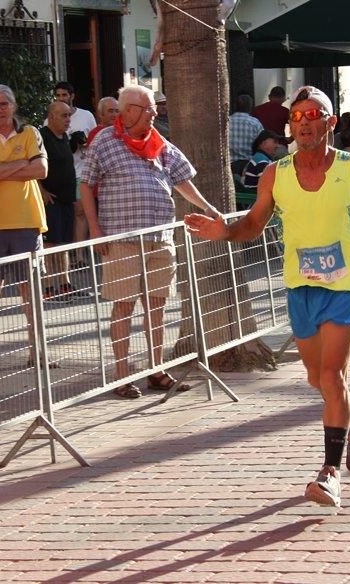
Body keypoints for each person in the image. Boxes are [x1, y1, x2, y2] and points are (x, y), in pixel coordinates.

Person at [184, 86, 350, 507]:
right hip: (301, 285)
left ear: (330, 122)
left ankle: (329, 473)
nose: (305, 122)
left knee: (331, 378)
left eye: (314, 115)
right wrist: (226, 232)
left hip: (344, 285)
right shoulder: (276, 173)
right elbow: (254, 222)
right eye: (298, 117)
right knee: (317, 379)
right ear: (290, 127)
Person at [79, 85, 223, 399]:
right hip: (123, 239)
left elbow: (182, 180)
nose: (154, 115)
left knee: (156, 306)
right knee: (124, 306)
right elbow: (86, 185)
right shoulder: (105, 141)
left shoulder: (159, 143)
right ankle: (121, 375)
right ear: (128, 110)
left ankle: (156, 371)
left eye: (155, 110)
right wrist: (94, 229)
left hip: (160, 238)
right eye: (149, 110)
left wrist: (207, 208)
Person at [0, 84, 49, 374]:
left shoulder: (30, 133)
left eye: (3, 104)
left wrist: (0, 168)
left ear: (13, 105)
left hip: (27, 221)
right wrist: (21, 164)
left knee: (31, 291)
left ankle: (37, 351)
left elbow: (41, 170)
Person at [54, 81, 97, 269]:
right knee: (68, 213)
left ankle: (79, 255)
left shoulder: (86, 116)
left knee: (80, 212)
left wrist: (85, 143)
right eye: (58, 95)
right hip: (62, 174)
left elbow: (94, 140)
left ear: (72, 96)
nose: (62, 98)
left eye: (65, 95)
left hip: (82, 171)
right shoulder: (50, 118)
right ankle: (68, 253)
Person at [40, 101, 77, 301]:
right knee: (50, 245)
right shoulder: (42, 136)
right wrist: (41, 189)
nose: (68, 119)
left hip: (66, 198)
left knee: (64, 243)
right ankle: (47, 287)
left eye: (69, 115)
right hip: (50, 200)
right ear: (52, 116)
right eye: (64, 115)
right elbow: (33, 163)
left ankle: (65, 284)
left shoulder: (64, 137)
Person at [229, 94, 265, 182]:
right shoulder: (255, 123)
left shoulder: (227, 121)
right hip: (249, 165)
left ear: (235, 106)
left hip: (230, 165)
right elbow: (263, 143)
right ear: (250, 107)